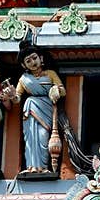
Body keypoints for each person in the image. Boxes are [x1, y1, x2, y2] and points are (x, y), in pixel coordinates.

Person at [13, 43, 65, 174]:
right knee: (31, 138)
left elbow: (63, 91)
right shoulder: (24, 79)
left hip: (47, 108)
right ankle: (32, 167)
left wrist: (56, 89)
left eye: (34, 58)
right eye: (28, 61)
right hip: (30, 110)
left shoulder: (50, 74)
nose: (33, 62)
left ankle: (43, 167)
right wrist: (11, 95)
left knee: (43, 137)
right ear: (24, 65)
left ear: (41, 58)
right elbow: (17, 98)